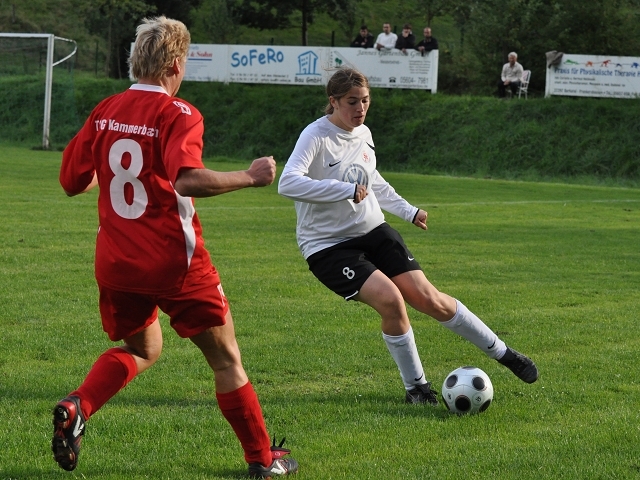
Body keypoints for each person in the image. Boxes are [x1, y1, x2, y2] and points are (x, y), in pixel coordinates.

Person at [53, 16, 298, 478]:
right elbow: (186, 178)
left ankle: (77, 405)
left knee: (144, 350)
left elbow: (71, 182)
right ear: (176, 63)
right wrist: (251, 176)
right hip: (174, 264)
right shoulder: (177, 113)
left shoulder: (105, 108)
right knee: (226, 359)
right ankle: (264, 460)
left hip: (117, 265)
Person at [278, 68, 538, 406]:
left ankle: (504, 354)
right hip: (329, 246)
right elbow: (288, 183)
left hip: (373, 231)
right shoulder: (316, 136)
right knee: (391, 300)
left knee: (429, 298)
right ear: (333, 102)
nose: (360, 108)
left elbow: (373, 181)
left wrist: (408, 211)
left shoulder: (364, 132)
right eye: (352, 102)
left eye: (365, 101)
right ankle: (417, 389)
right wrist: (342, 190)